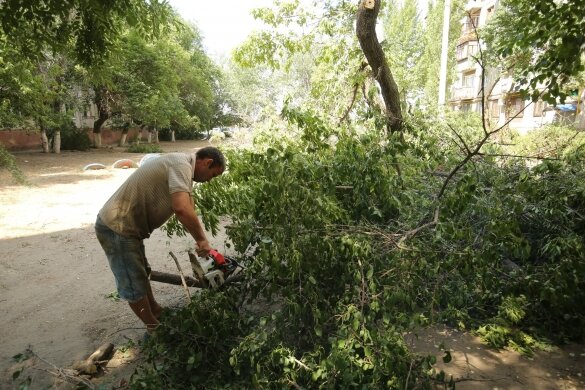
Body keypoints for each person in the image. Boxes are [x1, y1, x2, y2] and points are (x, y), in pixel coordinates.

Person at [95, 146, 225, 332]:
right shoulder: (181, 165)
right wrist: (202, 240)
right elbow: (181, 208)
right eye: (213, 175)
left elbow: (188, 206)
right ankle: (154, 329)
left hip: (129, 229)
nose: (209, 181)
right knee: (133, 282)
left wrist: (201, 242)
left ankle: (155, 310)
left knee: (141, 272)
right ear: (208, 162)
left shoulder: (183, 165)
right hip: (118, 227)